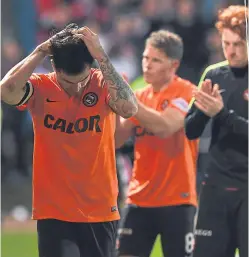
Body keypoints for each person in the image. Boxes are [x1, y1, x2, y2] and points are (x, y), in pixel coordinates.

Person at [1, 23, 138, 257]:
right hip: (54, 211)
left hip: (100, 209)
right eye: (67, 82)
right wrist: (40, 51)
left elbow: (129, 109)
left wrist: (101, 55)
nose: (76, 88)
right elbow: (6, 91)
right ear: (54, 66)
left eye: (82, 80)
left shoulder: (105, 82)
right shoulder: (40, 86)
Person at [115, 29, 199, 257]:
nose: (147, 65)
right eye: (145, 58)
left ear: (173, 65)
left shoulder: (187, 92)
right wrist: (113, 106)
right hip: (139, 197)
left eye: (155, 60)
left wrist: (129, 101)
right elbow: (116, 140)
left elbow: (165, 127)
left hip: (177, 199)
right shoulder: (140, 96)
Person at [184, 5, 248, 257]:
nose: (230, 50)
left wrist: (222, 114)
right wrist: (203, 111)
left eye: (238, 44)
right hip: (216, 185)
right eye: (226, 43)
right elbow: (190, 130)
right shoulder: (214, 74)